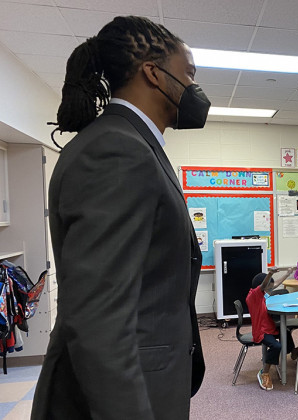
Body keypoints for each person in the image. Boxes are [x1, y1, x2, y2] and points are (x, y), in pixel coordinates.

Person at [32, 16, 210, 420]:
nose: (195, 89)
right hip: (128, 391)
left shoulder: (135, 144)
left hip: (152, 375)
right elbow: (100, 322)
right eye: (189, 74)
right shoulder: (117, 149)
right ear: (153, 73)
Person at [246, 267, 298, 391]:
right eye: (268, 288)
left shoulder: (262, 294)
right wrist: (270, 273)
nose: (270, 290)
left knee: (286, 332)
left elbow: (274, 284)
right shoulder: (253, 296)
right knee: (277, 346)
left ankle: (293, 350)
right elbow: (264, 285)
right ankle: (264, 372)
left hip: (271, 327)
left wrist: (287, 273)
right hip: (261, 332)